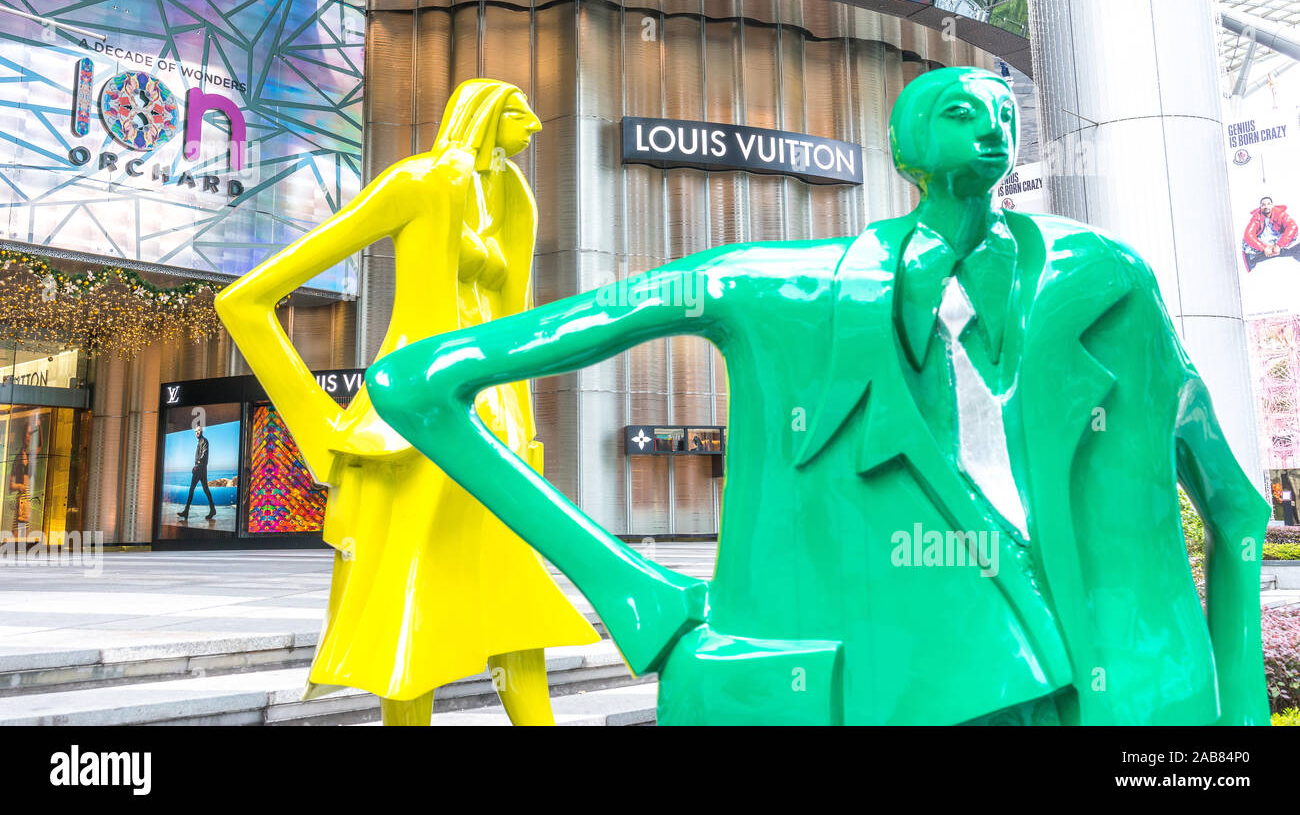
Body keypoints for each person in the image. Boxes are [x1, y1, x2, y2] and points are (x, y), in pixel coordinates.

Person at [367, 66, 1270, 726]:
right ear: (907, 147)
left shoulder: (1107, 283)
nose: (992, 128)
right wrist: (636, 593)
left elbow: (1235, 510)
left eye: (1003, 112)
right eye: (963, 112)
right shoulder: (767, 286)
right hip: (903, 684)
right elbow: (416, 382)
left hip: (1128, 698)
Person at [214, 79, 598, 727]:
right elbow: (245, 299)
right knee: (412, 596)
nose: (534, 122)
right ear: (480, 118)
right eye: (516, 110)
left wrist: (526, 440)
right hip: (417, 426)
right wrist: (322, 428)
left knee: (511, 592)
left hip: (491, 423)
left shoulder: (510, 199)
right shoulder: (417, 183)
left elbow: (516, 332)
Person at [1242, 196, 1300, 270]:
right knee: (1247, 247)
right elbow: (1248, 235)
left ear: (1272, 205)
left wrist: (1279, 245)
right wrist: (1263, 248)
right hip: (1264, 242)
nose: (1266, 206)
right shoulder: (1256, 217)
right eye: (1263, 205)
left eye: (1268, 204)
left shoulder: (1280, 214)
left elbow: (1292, 226)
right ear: (1260, 207)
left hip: (1279, 239)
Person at [178, 425, 215, 520]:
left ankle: (186, 512)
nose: (197, 432)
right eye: (195, 431)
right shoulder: (199, 442)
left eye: (198, 431)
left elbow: (204, 455)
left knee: (192, 489)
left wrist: (197, 465)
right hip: (201, 469)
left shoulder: (204, 441)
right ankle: (212, 509)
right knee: (205, 490)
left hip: (200, 469)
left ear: (202, 431)